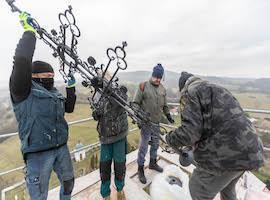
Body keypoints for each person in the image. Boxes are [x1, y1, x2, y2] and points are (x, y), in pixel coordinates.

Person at [164, 72, 265, 200]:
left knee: (198, 188)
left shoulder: (190, 92)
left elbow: (188, 134)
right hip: (251, 150)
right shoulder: (218, 88)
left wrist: (169, 138)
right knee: (228, 189)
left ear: (182, 87)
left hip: (226, 155)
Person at [10, 12, 77, 200]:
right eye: (46, 76)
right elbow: (22, 62)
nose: (50, 79)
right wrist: (29, 33)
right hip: (38, 155)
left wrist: (71, 88)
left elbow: (69, 108)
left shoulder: (54, 94)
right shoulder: (23, 91)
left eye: (52, 76)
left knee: (68, 183)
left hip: (61, 147)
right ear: (34, 77)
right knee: (39, 196)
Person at [133, 63, 175, 184]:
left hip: (157, 123)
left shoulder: (162, 89)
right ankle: (140, 168)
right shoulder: (143, 86)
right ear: (152, 75)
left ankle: (152, 163)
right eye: (156, 76)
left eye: (160, 77)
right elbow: (135, 104)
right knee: (143, 147)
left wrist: (168, 115)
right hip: (145, 123)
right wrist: (139, 118)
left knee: (155, 144)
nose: (157, 79)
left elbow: (165, 105)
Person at [92, 84, 129, 200]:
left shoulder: (120, 92)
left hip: (119, 137)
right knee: (105, 168)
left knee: (119, 166)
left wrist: (107, 89)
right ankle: (106, 195)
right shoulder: (98, 94)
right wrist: (95, 113)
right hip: (105, 138)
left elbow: (121, 101)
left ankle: (120, 190)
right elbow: (96, 113)